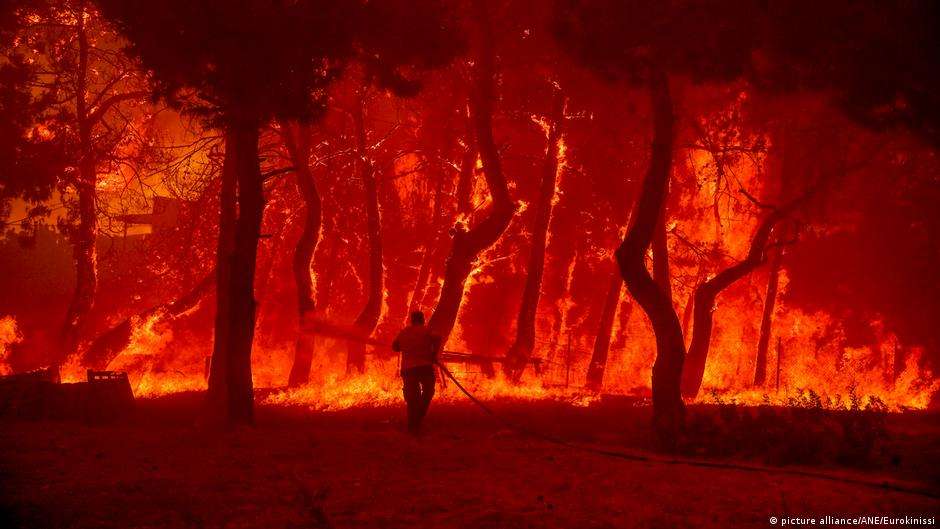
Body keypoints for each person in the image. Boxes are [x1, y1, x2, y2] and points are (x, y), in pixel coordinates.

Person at [392, 311, 440, 434]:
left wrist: (406, 346)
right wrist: (434, 353)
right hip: (424, 366)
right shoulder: (426, 330)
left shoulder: (404, 332)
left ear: (412, 320)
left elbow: (395, 347)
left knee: (412, 398)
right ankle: (419, 417)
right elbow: (437, 338)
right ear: (422, 319)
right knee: (428, 391)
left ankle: (412, 425)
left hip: (408, 369)